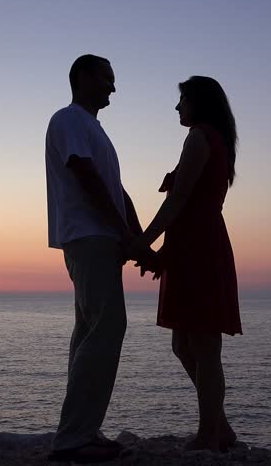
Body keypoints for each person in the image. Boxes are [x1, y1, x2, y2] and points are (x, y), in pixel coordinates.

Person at [44, 54, 147, 463]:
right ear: (83, 77)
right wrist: (124, 234)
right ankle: (72, 438)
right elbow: (84, 175)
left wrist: (136, 238)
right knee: (107, 326)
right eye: (107, 78)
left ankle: (82, 430)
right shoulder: (68, 120)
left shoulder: (93, 129)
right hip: (89, 236)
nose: (113, 87)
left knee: (89, 329)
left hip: (100, 236)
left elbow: (117, 191)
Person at [133, 76, 242, 452]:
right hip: (192, 244)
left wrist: (141, 242)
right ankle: (220, 427)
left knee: (205, 347)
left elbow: (177, 202)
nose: (177, 108)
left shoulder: (200, 136)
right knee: (185, 344)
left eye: (182, 100)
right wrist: (164, 252)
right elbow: (187, 206)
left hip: (199, 246)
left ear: (199, 103)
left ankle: (209, 435)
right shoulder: (215, 138)